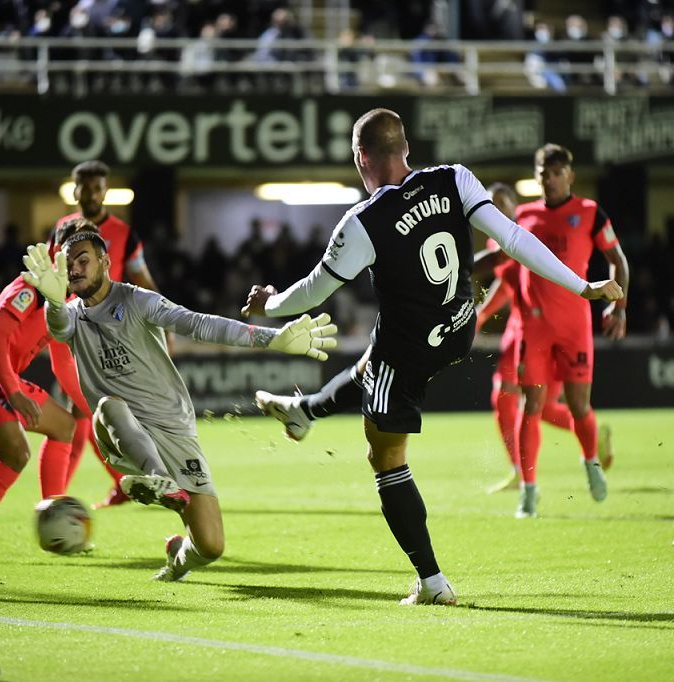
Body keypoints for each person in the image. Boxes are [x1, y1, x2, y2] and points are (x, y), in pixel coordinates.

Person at [243, 108, 622, 605]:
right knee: (369, 364)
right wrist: (583, 285)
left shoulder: (362, 223)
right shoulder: (453, 178)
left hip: (409, 352)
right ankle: (304, 412)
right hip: (461, 330)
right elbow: (512, 238)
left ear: (361, 157)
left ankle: (432, 582)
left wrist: (266, 304)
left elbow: (312, 293)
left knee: (384, 456)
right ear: (405, 147)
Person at [22, 232, 337, 581]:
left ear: (105, 262)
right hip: (118, 432)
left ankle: (178, 558)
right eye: (70, 264)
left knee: (211, 545)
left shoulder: (138, 300)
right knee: (111, 406)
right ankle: (157, 477)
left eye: (83, 260)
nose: (76, 269)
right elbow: (60, 327)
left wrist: (273, 338)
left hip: (172, 427)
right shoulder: (69, 314)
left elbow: (199, 324)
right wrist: (52, 301)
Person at [0, 218, 94, 563]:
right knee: (16, 454)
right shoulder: (33, 286)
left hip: (0, 376)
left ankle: (55, 521)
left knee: (65, 427)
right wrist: (13, 391)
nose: (79, 260)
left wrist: (91, 407)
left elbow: (61, 364)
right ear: (56, 248)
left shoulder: (64, 299)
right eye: (73, 249)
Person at [512, 144, 629, 519]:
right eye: (544, 172)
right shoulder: (523, 214)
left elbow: (617, 260)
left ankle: (591, 462)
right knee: (532, 405)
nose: (550, 179)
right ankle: (529, 490)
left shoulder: (590, 213)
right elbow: (508, 265)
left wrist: (619, 306)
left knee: (579, 406)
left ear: (570, 176)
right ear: (537, 176)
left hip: (575, 326)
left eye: (557, 172)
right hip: (536, 327)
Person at [473, 184, 614, 494]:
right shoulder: (499, 241)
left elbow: (507, 284)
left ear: (515, 207)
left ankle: (590, 435)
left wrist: (481, 314)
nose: (498, 212)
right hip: (521, 331)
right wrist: (481, 314)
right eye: (491, 206)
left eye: (503, 205)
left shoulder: (525, 235)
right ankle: (518, 471)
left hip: (545, 331)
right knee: (505, 399)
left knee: (542, 407)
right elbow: (507, 287)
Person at [54, 160, 163, 511]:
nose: (92, 193)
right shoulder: (61, 230)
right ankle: (127, 482)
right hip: (75, 329)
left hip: (115, 328)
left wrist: (165, 320)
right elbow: (50, 278)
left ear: (105, 190)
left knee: (90, 410)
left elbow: (141, 277)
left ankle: (64, 497)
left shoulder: (124, 233)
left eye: (98, 187)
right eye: (85, 188)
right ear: (76, 191)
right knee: (82, 409)